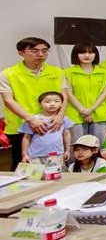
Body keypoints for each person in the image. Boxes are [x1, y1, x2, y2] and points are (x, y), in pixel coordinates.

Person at [1, 37, 70, 170]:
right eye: (34, 51)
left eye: (44, 51)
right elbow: (8, 100)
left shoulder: (56, 71)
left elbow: (64, 95)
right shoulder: (8, 74)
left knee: (54, 165)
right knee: (23, 165)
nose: (40, 54)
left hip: (51, 125)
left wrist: (60, 116)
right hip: (21, 126)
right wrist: (31, 119)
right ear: (21, 53)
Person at [20, 91, 73, 164]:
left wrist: (67, 150)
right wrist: (24, 154)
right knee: (36, 172)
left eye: (56, 101)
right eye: (47, 102)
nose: (52, 104)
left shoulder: (63, 119)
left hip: (56, 154)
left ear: (61, 104)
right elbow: (26, 138)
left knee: (55, 171)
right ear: (40, 104)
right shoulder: (33, 120)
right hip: (35, 155)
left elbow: (66, 135)